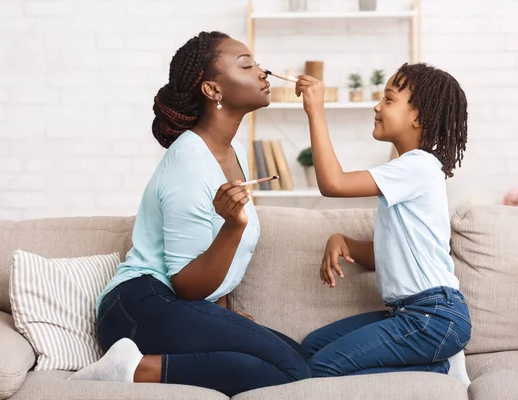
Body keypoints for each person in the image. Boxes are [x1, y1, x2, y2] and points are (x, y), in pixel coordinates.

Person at [70, 31, 311, 397]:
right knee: (293, 369)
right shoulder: (189, 161)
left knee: (296, 358)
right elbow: (186, 285)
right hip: (139, 306)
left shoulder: (235, 154)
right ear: (213, 91)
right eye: (247, 65)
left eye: (258, 64)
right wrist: (233, 226)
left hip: (177, 307)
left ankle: (136, 368)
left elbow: (210, 267)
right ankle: (132, 369)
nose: (263, 73)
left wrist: (223, 318)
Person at [295, 63, 472, 385]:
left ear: (418, 117)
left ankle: (439, 371)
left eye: (389, 100)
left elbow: (333, 184)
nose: (377, 106)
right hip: (413, 314)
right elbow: (392, 257)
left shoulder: (418, 166)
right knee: (312, 347)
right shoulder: (406, 171)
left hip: (433, 316)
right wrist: (344, 241)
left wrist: (316, 111)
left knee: (319, 368)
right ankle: (433, 366)